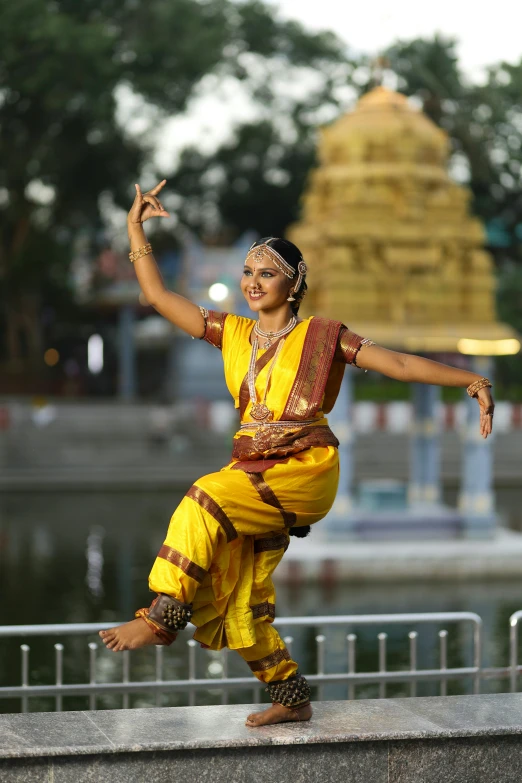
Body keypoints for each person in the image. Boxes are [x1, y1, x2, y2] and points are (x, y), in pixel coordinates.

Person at [100, 180, 495, 726]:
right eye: (248, 272)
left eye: (267, 273)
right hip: (253, 472)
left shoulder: (323, 336)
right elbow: (158, 298)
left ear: (293, 283)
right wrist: (134, 228)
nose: (253, 282)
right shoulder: (232, 333)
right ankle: (292, 699)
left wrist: (469, 378)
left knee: (203, 497)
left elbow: (399, 365)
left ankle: (164, 616)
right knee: (241, 604)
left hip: (305, 470)